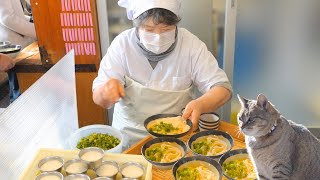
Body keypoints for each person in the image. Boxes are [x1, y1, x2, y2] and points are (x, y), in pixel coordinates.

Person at [92, 0, 232, 148]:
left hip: (177, 139)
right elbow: (99, 98)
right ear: (137, 26)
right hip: (130, 140)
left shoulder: (191, 45)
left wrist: (201, 104)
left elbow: (223, 89)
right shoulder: (122, 45)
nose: (158, 37)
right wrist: (105, 94)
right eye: (149, 29)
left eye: (166, 29)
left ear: (176, 24)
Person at [0, 0, 37, 102]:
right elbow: (7, 18)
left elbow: (15, 14)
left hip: (19, 41)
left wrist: (31, 20)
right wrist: (37, 31)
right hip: (13, 43)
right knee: (20, 85)